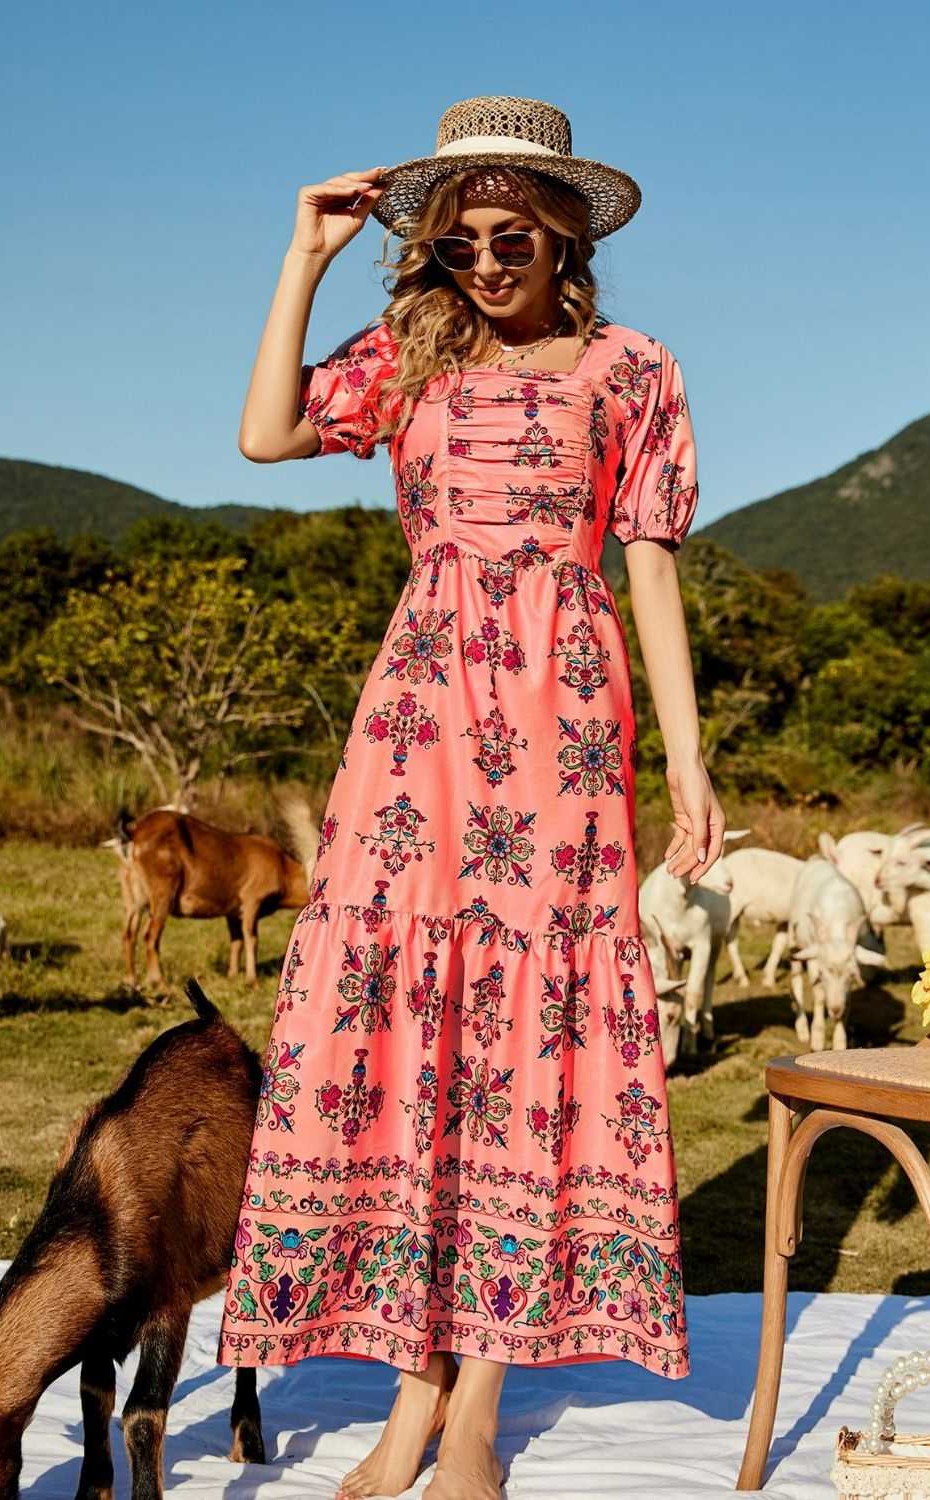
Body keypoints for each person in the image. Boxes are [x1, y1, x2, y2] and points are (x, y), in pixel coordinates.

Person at [217, 94, 726, 1500]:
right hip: (420, 716)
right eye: (456, 244)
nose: (485, 263)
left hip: (561, 720)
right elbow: (265, 438)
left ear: (565, 232)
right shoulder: (413, 353)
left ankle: (476, 1421)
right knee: (404, 1033)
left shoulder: (634, 367)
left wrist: (686, 758)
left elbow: (653, 575)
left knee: (525, 1033)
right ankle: (403, 1407)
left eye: (510, 236)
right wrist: (303, 259)